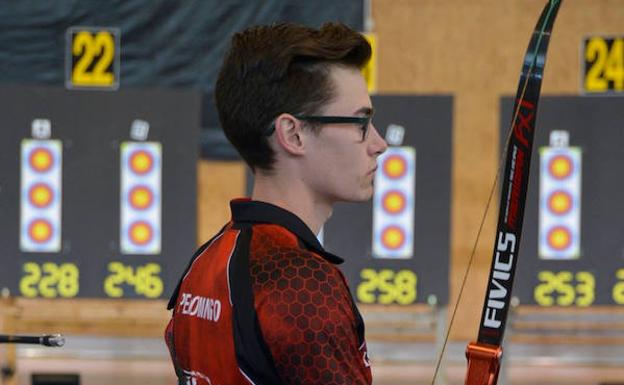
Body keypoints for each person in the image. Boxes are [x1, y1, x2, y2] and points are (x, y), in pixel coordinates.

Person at [165, 21, 387, 385]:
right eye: (360, 123)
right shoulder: (302, 284)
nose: (378, 143)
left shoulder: (207, 262)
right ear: (293, 134)